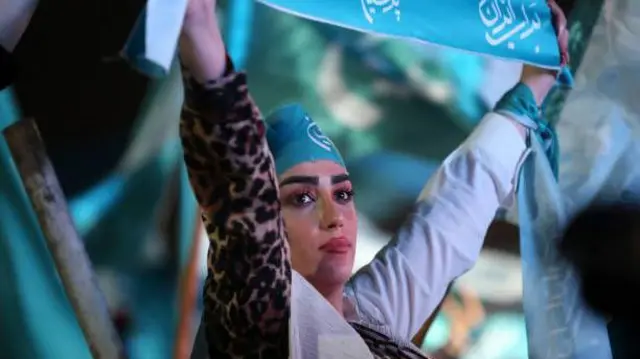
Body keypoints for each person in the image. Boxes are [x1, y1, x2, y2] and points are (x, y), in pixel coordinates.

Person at [178, 0, 569, 357]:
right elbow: (242, 187)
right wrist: (200, 37)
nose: (334, 217)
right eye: (302, 198)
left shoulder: (369, 318)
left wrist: (532, 88)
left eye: (344, 194)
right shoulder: (258, 324)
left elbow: (452, 217)